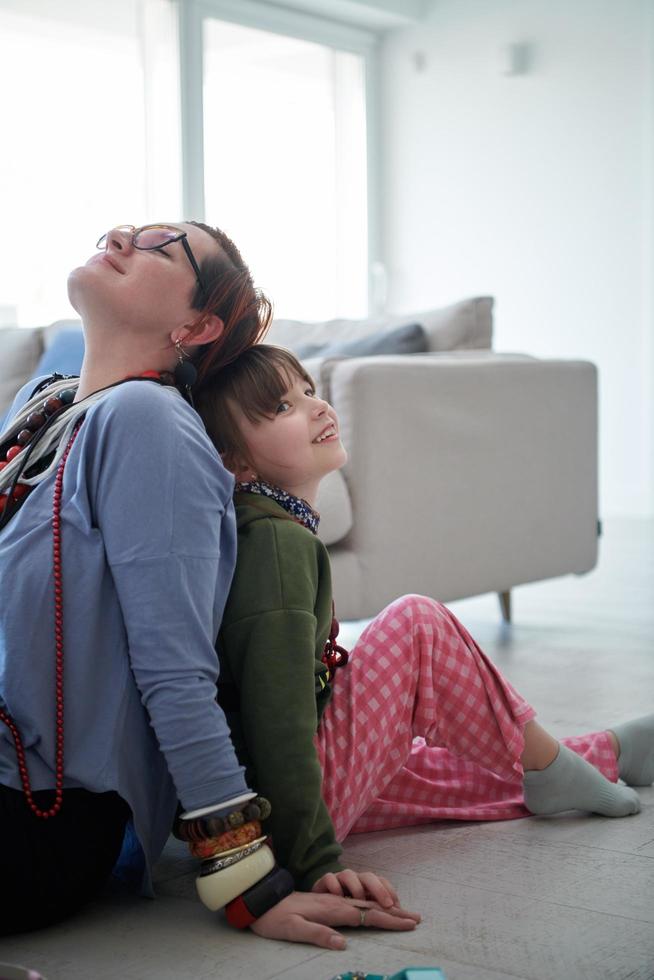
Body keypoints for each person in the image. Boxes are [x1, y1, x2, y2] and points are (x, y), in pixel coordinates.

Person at [0, 224, 419, 948]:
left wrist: (245, 876)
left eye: (164, 246)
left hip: (37, 815)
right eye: (128, 228)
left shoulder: (149, 423)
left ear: (196, 325)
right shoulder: (45, 407)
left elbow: (176, 668)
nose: (125, 234)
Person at [196, 343, 654, 900]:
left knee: (434, 767)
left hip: (277, 807)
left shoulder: (272, 529)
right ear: (238, 464)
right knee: (416, 622)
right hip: (283, 810)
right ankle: (553, 762)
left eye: (310, 392)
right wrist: (312, 860)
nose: (317, 408)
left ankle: (605, 755)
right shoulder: (272, 542)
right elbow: (279, 724)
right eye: (284, 408)